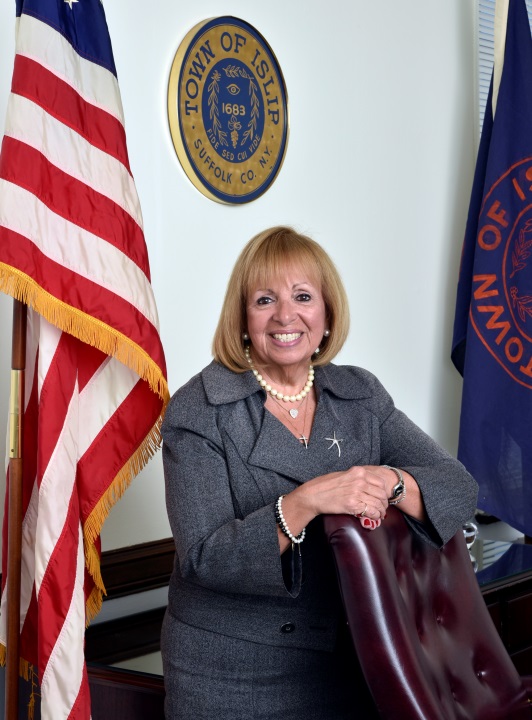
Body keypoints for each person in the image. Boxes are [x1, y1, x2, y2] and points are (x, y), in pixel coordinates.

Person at [160, 226, 478, 719]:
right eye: (265, 299)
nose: (285, 316)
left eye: (303, 297)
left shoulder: (360, 395)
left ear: (327, 314)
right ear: (242, 318)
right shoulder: (199, 409)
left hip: (356, 661)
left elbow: (458, 486)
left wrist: (390, 482)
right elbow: (205, 558)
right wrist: (305, 502)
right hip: (234, 676)